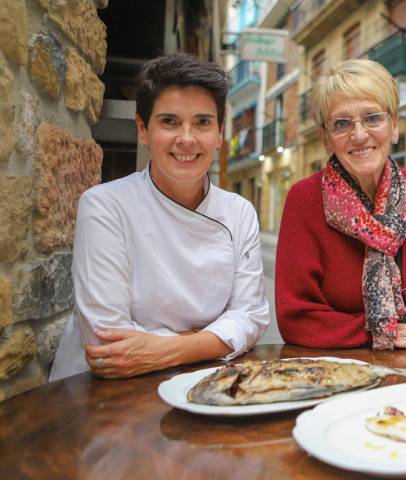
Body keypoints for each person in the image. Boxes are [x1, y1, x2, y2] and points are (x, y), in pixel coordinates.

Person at [50, 53, 269, 380]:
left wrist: (167, 349)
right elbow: (108, 337)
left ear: (220, 133)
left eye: (202, 122)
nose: (187, 138)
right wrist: (212, 339)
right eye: (169, 121)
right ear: (143, 129)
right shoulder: (105, 206)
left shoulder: (239, 212)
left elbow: (250, 316)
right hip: (107, 394)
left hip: (201, 380)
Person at [275, 59, 406, 353]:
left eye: (372, 118)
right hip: (344, 373)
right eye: (342, 123)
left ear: (393, 126)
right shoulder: (304, 199)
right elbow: (297, 316)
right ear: (326, 138)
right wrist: (384, 334)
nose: (359, 135)